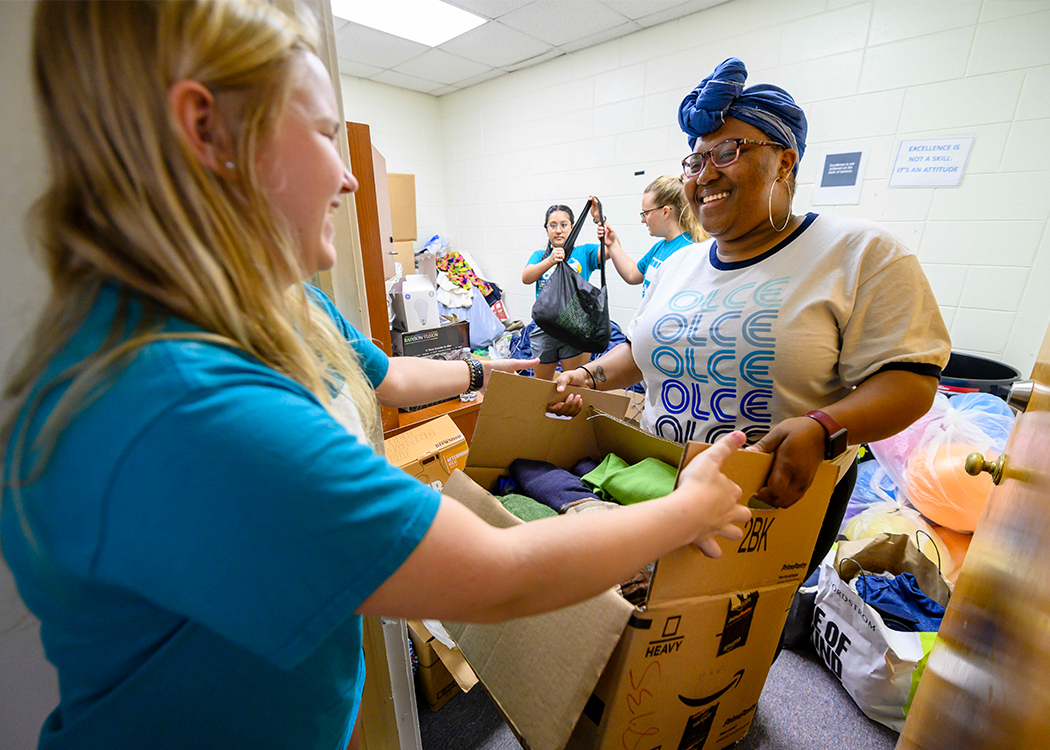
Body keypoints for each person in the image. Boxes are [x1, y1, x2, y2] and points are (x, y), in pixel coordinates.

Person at [0, 5, 752, 749]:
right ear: (207, 132)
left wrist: (490, 370)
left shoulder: (282, 301)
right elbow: (496, 574)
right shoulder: (182, 407)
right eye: (326, 135)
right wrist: (687, 513)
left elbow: (386, 376)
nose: (348, 179)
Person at [556, 56, 951, 585]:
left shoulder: (859, 253)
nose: (705, 174)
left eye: (728, 152)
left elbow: (911, 379)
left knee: (731, 643)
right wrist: (591, 375)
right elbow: (645, 349)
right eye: (695, 162)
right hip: (658, 485)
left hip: (770, 504)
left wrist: (823, 428)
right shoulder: (678, 265)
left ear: (784, 162)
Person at [522, 202, 616, 380]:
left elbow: (611, 250)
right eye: (553, 225)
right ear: (547, 229)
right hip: (545, 328)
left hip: (575, 327)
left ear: (572, 228)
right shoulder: (539, 256)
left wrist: (600, 220)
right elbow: (526, 277)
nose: (558, 230)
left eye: (564, 225)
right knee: (541, 385)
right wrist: (550, 261)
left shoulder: (585, 252)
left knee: (574, 384)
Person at [596, 175, 710, 296]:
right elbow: (632, 274)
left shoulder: (690, 251)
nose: (643, 220)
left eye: (646, 213)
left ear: (665, 212)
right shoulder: (660, 248)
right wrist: (612, 245)